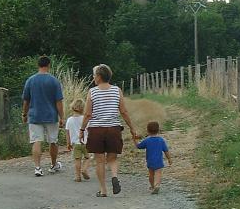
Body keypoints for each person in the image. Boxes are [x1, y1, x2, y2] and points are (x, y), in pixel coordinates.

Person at [80, 64, 136, 197]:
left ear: (99, 77)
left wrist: (82, 129)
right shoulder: (117, 90)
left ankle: (103, 190)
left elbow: (88, 114)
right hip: (113, 129)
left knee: (100, 160)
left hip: (97, 129)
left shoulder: (92, 92)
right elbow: (123, 111)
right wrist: (132, 128)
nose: (93, 78)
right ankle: (115, 176)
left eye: (94, 75)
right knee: (112, 158)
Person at [22, 56, 65, 177]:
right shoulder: (54, 81)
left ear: (38, 65)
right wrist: (62, 117)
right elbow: (59, 102)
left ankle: (37, 168)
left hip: (35, 116)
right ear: (49, 65)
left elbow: (26, 100)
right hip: (51, 116)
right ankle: (53, 164)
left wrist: (24, 114)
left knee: (36, 141)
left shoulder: (30, 80)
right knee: (53, 141)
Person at [134, 121, 172, 194]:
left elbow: (138, 146)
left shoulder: (147, 140)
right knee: (158, 174)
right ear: (158, 130)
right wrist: (169, 159)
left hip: (150, 161)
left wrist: (134, 139)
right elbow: (166, 151)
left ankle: (152, 186)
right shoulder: (161, 140)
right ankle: (157, 185)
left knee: (151, 174)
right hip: (159, 161)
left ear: (147, 131)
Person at [66, 98, 90, 182]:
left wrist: (68, 143)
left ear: (72, 107)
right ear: (83, 108)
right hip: (86, 142)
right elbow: (89, 130)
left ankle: (77, 176)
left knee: (77, 159)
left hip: (75, 144)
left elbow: (67, 133)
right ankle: (84, 169)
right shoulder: (85, 119)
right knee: (87, 158)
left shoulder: (69, 120)